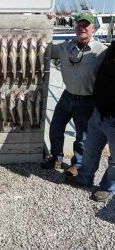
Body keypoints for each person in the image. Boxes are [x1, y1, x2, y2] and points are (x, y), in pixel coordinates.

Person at [41, 12, 107, 174]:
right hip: (67, 95)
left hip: (87, 100)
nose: (82, 28)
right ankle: (56, 157)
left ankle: (76, 164)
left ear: (93, 28)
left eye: (86, 25)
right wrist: (46, 21)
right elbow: (44, 48)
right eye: (79, 24)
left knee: (82, 136)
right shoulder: (65, 47)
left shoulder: (101, 51)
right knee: (55, 127)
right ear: (75, 27)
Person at [65, 41, 115, 202]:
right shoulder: (111, 49)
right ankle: (85, 178)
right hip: (98, 112)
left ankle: (108, 188)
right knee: (90, 149)